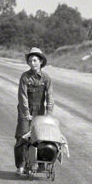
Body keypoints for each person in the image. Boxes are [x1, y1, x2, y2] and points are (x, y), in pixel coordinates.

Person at [15, 47, 54, 176]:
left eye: (35, 60)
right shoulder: (25, 77)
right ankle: (20, 165)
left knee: (42, 137)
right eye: (30, 61)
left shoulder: (46, 78)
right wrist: (27, 114)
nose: (32, 63)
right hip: (25, 110)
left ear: (41, 61)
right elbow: (22, 97)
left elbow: (50, 98)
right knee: (22, 137)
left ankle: (40, 164)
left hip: (40, 112)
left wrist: (48, 115)